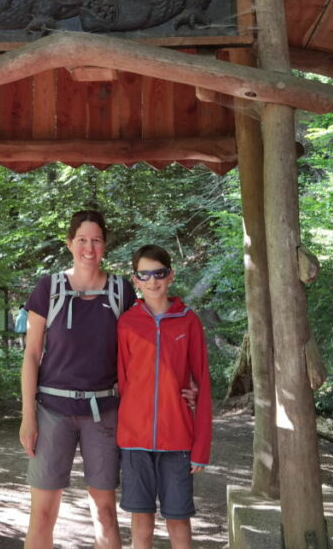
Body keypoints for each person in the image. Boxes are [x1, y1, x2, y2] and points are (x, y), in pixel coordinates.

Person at [19, 209, 136, 549]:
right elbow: (31, 354)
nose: (89, 248)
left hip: (104, 412)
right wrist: (28, 417)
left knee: (105, 513)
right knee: (41, 514)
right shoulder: (49, 289)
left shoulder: (121, 291)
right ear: (70, 243)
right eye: (82, 240)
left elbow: (138, 353)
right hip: (51, 411)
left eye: (96, 240)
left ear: (105, 245)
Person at [117, 245, 212, 549]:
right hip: (135, 441)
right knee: (141, 521)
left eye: (159, 273)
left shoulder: (189, 321)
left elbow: (204, 385)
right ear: (136, 280)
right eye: (145, 274)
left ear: (170, 276)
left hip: (177, 439)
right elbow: (123, 382)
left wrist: (201, 447)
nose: (153, 280)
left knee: (178, 519)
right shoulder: (127, 323)